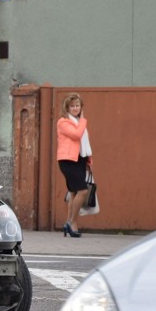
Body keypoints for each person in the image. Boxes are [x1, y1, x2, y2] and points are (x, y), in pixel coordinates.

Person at [56, 93, 92, 238]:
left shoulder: (78, 122)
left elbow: (84, 143)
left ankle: (68, 223)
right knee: (82, 191)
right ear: (67, 108)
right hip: (67, 160)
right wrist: (83, 120)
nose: (75, 108)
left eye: (77, 105)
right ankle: (72, 222)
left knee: (73, 193)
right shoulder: (63, 122)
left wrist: (89, 161)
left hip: (80, 159)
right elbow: (76, 135)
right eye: (72, 106)